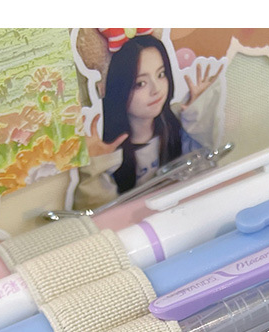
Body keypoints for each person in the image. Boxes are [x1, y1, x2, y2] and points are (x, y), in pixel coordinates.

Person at [74, 34, 222, 210]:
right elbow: (101, 214)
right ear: (118, 89)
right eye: (140, 83)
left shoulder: (176, 121)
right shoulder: (106, 148)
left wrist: (198, 110)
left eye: (161, 74)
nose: (156, 89)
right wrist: (94, 165)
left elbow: (204, 165)